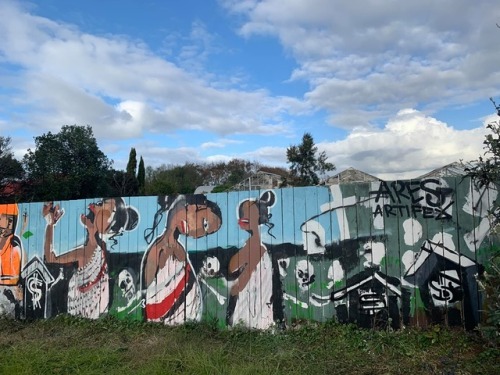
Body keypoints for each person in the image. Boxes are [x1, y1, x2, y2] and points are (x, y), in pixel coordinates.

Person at [43, 198, 138, 319]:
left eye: (104, 206)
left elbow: (51, 258)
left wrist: (50, 224)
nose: (96, 206)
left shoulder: (89, 252)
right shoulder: (98, 250)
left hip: (80, 318)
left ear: (109, 226)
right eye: (100, 203)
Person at [142, 194, 222, 324]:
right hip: (165, 321)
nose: (198, 235)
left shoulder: (178, 249)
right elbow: (146, 294)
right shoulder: (161, 249)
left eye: (206, 233)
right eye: (205, 224)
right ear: (198, 207)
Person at [227, 190, 275, 329]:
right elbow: (233, 271)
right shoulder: (255, 249)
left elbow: (237, 280)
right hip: (249, 309)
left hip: (257, 309)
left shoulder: (258, 250)